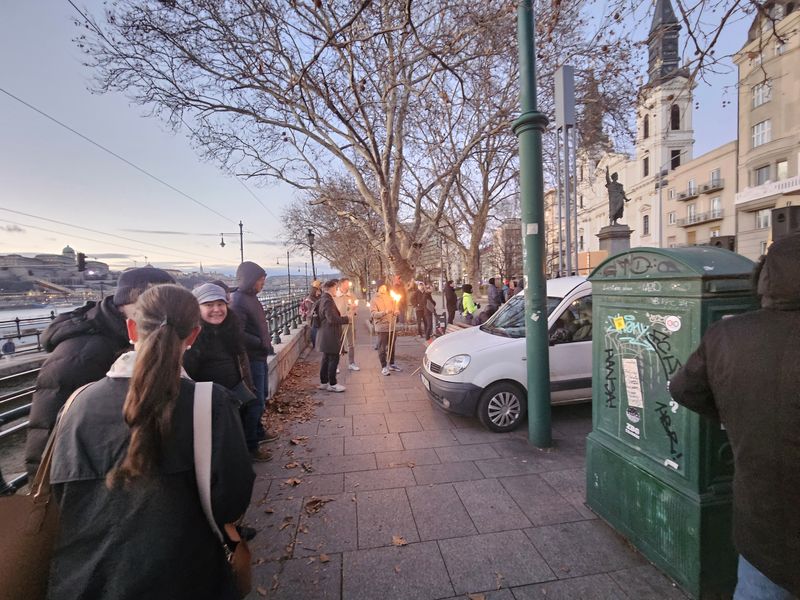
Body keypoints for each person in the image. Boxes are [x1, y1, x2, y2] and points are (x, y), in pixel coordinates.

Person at [46, 284, 254, 600]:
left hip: (85, 579)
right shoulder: (209, 403)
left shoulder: (77, 403)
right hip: (186, 575)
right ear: (193, 335)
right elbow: (232, 499)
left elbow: (62, 492)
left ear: (132, 328)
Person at [669, 233, 800, 599]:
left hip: (764, 529)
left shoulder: (728, 334)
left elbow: (683, 389)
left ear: (765, 278)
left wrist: (733, 416)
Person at [24, 266, 175, 478]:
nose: (162, 312)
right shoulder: (80, 354)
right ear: (128, 301)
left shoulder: (138, 334)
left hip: (125, 462)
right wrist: (46, 481)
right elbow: (48, 428)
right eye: (155, 302)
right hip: (95, 473)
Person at [183, 283, 272, 462]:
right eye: (209, 305)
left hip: (236, 391)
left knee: (241, 426)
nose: (216, 309)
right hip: (210, 401)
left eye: (220, 304)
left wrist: (247, 385)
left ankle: (247, 453)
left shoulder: (231, 327)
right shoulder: (191, 337)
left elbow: (240, 360)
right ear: (197, 308)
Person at [230, 261, 277, 452]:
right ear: (250, 280)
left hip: (260, 355)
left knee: (262, 396)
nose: (263, 283)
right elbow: (237, 333)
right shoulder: (238, 301)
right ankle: (251, 445)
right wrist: (260, 343)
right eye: (260, 280)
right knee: (255, 401)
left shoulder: (251, 298)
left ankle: (258, 431)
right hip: (251, 359)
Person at [316, 279, 349, 392]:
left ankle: (324, 382)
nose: (336, 290)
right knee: (333, 358)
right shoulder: (327, 300)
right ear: (331, 288)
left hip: (326, 334)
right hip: (330, 334)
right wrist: (346, 319)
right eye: (335, 288)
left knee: (326, 359)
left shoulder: (323, 299)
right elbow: (332, 318)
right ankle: (332, 384)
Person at [370, 283, 399, 376]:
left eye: (385, 287)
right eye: (382, 287)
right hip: (382, 326)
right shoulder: (374, 299)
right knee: (382, 347)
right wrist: (384, 312)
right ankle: (384, 366)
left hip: (391, 325)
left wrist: (396, 311)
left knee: (392, 346)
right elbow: (373, 314)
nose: (384, 289)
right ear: (378, 288)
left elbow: (395, 307)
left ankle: (391, 364)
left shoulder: (390, 297)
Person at [334, 277, 360, 371]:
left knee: (351, 343)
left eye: (348, 283)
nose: (348, 285)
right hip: (339, 322)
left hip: (350, 322)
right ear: (341, 284)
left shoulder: (352, 295)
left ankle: (351, 363)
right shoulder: (335, 296)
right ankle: (336, 365)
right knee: (337, 344)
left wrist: (354, 311)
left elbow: (356, 307)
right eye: (346, 283)